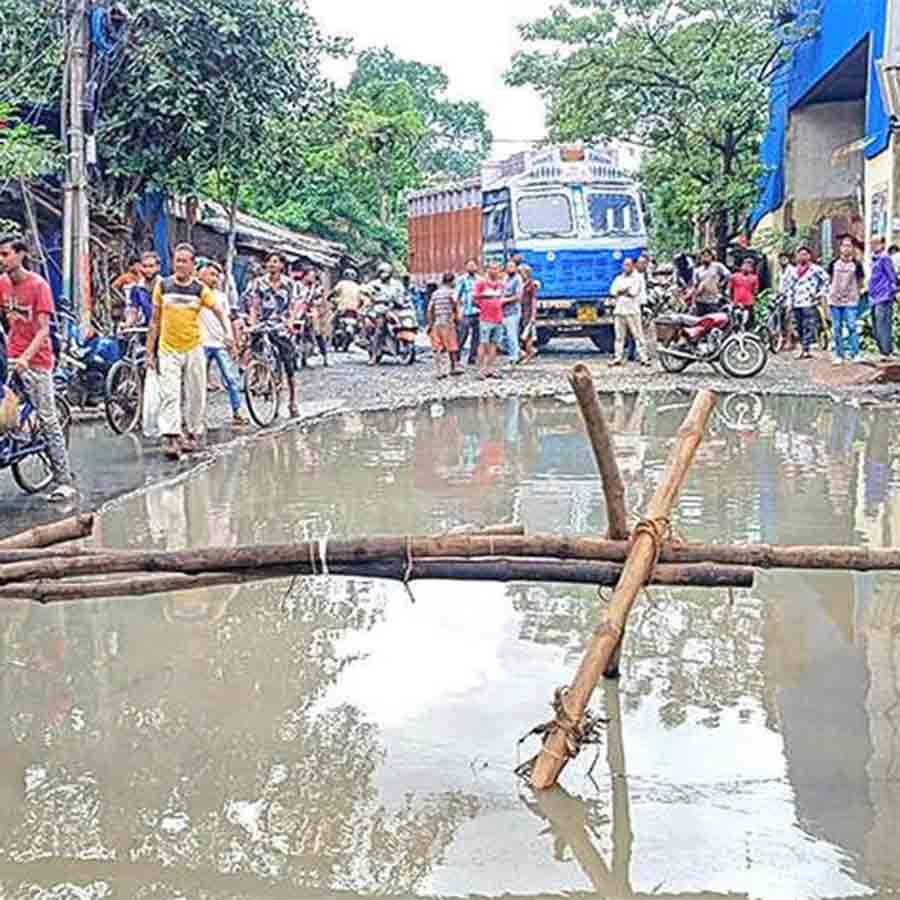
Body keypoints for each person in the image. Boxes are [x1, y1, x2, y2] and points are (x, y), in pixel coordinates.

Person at [0, 235, 77, 502]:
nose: (2, 259)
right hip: (10, 356)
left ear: (21, 255)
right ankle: (17, 434)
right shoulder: (2, 284)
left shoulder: (38, 286)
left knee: (48, 419)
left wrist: (26, 358)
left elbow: (44, 330)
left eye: (6, 254)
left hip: (37, 360)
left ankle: (64, 480)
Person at [147, 243, 234, 460]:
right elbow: (155, 321)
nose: (180, 265)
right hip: (168, 349)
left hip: (194, 347)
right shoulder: (163, 287)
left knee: (196, 393)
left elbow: (219, 312)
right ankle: (171, 436)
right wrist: (150, 352)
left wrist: (228, 333)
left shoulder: (200, 290)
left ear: (192, 265)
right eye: (177, 260)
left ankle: (193, 432)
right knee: (170, 393)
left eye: (185, 261)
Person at [244, 252, 300, 415]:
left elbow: (293, 305)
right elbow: (254, 306)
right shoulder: (258, 283)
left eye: (275, 262)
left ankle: (292, 402)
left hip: (281, 325)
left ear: (282, 265)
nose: (272, 264)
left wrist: (291, 321)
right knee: (256, 352)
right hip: (263, 323)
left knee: (289, 365)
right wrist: (252, 325)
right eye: (269, 261)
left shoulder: (289, 284)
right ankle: (258, 379)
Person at [198, 259, 247, 427]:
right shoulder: (196, 294)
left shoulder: (221, 297)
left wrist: (232, 339)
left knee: (231, 378)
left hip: (219, 343)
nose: (215, 278)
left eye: (217, 275)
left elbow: (226, 319)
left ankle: (237, 411)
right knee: (198, 381)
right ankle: (197, 415)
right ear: (201, 275)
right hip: (201, 342)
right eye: (211, 274)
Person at [783, 246, 829, 359]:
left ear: (809, 256)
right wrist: (789, 303)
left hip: (809, 302)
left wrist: (819, 294)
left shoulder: (816, 269)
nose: (802, 256)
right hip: (796, 302)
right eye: (800, 254)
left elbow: (826, 280)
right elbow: (789, 287)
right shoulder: (793, 271)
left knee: (807, 326)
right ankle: (803, 346)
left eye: (805, 254)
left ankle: (805, 349)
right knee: (798, 326)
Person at [827, 236, 864, 365]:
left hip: (851, 301)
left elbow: (860, 281)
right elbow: (830, 279)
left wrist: (856, 293)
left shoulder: (857, 264)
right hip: (835, 301)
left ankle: (855, 353)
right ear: (840, 248)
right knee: (836, 328)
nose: (846, 248)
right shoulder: (833, 263)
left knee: (852, 326)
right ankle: (839, 355)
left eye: (849, 246)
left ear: (852, 248)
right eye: (844, 246)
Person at [608, 257, 650, 367]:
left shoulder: (637, 279)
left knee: (638, 335)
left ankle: (643, 358)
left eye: (628, 265)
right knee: (619, 337)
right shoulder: (618, 278)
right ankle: (618, 357)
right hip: (619, 310)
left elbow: (633, 292)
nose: (626, 267)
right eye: (625, 265)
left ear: (632, 266)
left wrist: (621, 291)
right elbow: (613, 291)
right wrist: (623, 291)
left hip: (632, 310)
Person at [365, 262, 408, 365]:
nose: (384, 275)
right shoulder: (374, 284)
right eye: (381, 272)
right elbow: (367, 294)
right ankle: (374, 356)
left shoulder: (397, 284)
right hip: (380, 309)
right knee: (379, 329)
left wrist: (402, 300)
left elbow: (403, 294)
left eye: (386, 272)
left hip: (396, 308)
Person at [474, 261, 506, 379]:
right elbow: (475, 299)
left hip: (498, 318)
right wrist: (484, 305)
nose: (494, 271)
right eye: (492, 269)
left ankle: (490, 368)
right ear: (487, 270)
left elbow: (502, 298)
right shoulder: (481, 283)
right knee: (483, 343)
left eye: (496, 269)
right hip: (485, 318)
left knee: (494, 344)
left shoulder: (501, 285)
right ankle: (480, 370)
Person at [427, 272, 462, 379]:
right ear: (451, 282)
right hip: (448, 322)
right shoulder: (452, 293)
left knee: (438, 348)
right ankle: (453, 367)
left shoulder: (436, 293)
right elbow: (456, 305)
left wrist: (430, 323)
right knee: (452, 346)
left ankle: (439, 370)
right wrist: (458, 319)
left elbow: (429, 309)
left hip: (437, 322)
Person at [294, 269, 330, 367]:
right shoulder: (297, 286)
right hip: (297, 313)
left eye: (314, 276)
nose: (312, 278)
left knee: (316, 333)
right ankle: (297, 357)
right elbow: (294, 299)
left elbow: (320, 301)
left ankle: (324, 356)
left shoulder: (315, 288)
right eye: (311, 276)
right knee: (296, 335)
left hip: (310, 313)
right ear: (304, 276)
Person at [869, 236, 897, 359]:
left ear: (882, 244)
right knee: (875, 326)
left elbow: (892, 276)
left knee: (883, 325)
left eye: (876, 243)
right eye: (872, 243)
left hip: (884, 296)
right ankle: (883, 351)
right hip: (874, 296)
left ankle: (886, 352)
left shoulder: (885, 258)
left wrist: (894, 291)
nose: (873, 245)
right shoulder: (874, 259)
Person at [123, 250, 160, 329]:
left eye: (151, 266)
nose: (147, 270)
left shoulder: (165, 286)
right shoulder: (137, 289)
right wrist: (127, 324)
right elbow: (133, 310)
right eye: (144, 266)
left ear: (158, 267)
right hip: (147, 328)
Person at [455, 258, 480, 367]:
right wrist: (457, 311)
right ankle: (456, 357)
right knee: (462, 335)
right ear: (465, 267)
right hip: (466, 311)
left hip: (479, 312)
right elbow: (456, 296)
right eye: (469, 265)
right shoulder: (462, 279)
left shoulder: (480, 280)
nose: (471, 267)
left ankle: (472, 357)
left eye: (473, 265)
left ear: (477, 267)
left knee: (477, 337)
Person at [692, 249, 730, 316]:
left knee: (714, 319)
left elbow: (728, 274)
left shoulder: (717, 266)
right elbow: (695, 286)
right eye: (703, 256)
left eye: (707, 256)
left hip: (713, 300)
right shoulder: (697, 270)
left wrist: (722, 283)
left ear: (711, 257)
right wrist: (693, 302)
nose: (705, 258)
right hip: (701, 300)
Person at [502, 258, 524, 364]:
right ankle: (519, 352)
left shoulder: (518, 279)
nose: (509, 269)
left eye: (512, 266)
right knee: (503, 337)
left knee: (511, 335)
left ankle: (513, 358)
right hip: (502, 312)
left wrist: (504, 300)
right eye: (508, 266)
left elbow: (518, 296)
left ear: (516, 268)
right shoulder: (505, 279)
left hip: (513, 311)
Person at [730, 257, 760, 326]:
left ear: (752, 268)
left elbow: (755, 292)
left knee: (747, 323)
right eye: (745, 264)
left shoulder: (754, 278)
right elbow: (730, 290)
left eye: (749, 266)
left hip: (748, 304)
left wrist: (754, 300)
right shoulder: (734, 277)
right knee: (735, 322)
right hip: (736, 303)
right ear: (741, 266)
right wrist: (731, 301)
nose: (747, 267)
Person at [519, 264, 539, 363]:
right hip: (520, 311)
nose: (520, 274)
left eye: (522, 272)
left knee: (528, 335)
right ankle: (528, 352)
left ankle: (529, 353)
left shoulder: (531, 285)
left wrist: (533, 315)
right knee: (522, 333)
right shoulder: (520, 283)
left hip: (528, 311)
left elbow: (534, 300)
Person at [777, 251, 796, 351]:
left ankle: (789, 341)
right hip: (782, 298)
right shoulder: (781, 271)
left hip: (790, 298)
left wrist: (791, 300)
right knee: (782, 321)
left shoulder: (792, 270)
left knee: (788, 320)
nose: (782, 261)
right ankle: (783, 340)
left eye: (784, 259)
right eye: (780, 259)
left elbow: (793, 286)